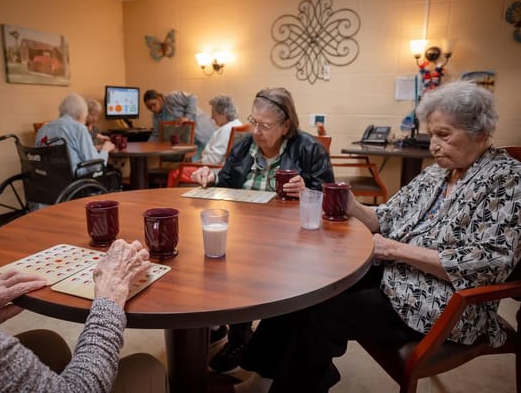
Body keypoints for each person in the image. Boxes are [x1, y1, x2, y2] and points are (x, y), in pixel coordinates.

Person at [219, 80, 521, 393]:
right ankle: (263, 375)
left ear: (482, 133)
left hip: (442, 302)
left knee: (324, 314)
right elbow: (384, 218)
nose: (433, 145)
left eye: (444, 135)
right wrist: (348, 204)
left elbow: (490, 264)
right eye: (431, 134)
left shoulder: (507, 180)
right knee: (304, 286)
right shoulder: (437, 172)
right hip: (398, 276)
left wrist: (395, 250)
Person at [0, 61, 169, 392]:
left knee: (47, 342)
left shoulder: (44, 129)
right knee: (146, 366)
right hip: (76, 185)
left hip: (45, 192)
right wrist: (109, 298)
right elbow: (91, 164)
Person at [191, 87, 334, 375]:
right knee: (211, 263)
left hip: (288, 238)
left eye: (265, 126)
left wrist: (307, 191)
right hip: (245, 230)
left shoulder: (309, 149)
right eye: (253, 121)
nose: (256, 131)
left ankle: (249, 339)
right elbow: (228, 181)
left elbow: (329, 202)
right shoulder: (244, 146)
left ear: (286, 126)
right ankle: (232, 332)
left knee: (256, 275)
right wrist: (211, 176)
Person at [166, 94, 242, 187]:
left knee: (174, 173)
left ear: (223, 114)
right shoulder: (238, 125)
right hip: (222, 169)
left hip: (212, 172)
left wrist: (199, 162)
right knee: (184, 166)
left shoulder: (226, 130)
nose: (212, 118)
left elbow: (213, 160)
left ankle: (170, 200)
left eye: (214, 114)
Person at [35, 93, 115, 176]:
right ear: (81, 114)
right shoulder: (79, 128)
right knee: (113, 176)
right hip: (74, 182)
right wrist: (105, 150)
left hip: (48, 183)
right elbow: (96, 167)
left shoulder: (41, 130)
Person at [143, 89, 216, 159]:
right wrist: (147, 147)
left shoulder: (171, 98)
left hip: (201, 131)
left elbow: (192, 98)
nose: (152, 109)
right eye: (149, 107)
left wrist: (187, 117)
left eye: (153, 104)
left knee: (206, 158)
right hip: (187, 141)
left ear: (159, 98)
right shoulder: (156, 116)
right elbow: (156, 134)